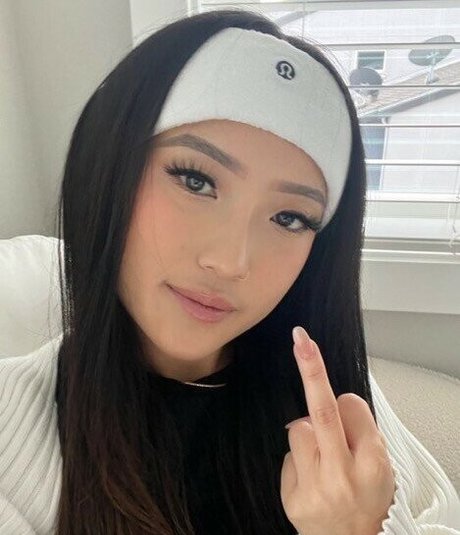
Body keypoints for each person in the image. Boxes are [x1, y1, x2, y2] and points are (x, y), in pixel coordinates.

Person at [0, 8, 459, 535]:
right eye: (195, 181)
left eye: (290, 218)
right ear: (109, 170)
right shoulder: (12, 433)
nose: (231, 262)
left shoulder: (334, 401)